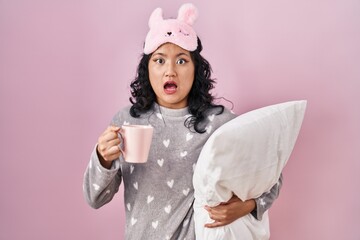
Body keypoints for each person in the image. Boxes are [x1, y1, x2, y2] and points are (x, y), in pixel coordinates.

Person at [83, 3, 282, 240]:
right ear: (147, 69)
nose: (170, 71)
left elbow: (271, 173)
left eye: (181, 61)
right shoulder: (126, 121)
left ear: (196, 69)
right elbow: (95, 198)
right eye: (159, 60)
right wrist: (103, 158)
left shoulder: (218, 123)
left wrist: (248, 205)